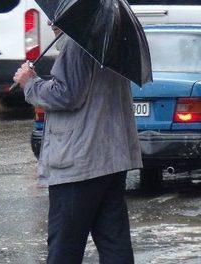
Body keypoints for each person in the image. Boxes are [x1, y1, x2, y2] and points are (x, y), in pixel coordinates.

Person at [13, 23, 143, 264]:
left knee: (65, 249)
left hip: (79, 164)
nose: (51, 22)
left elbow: (66, 94)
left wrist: (29, 83)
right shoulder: (110, 39)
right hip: (111, 159)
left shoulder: (77, 43)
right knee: (114, 245)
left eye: (54, 16)